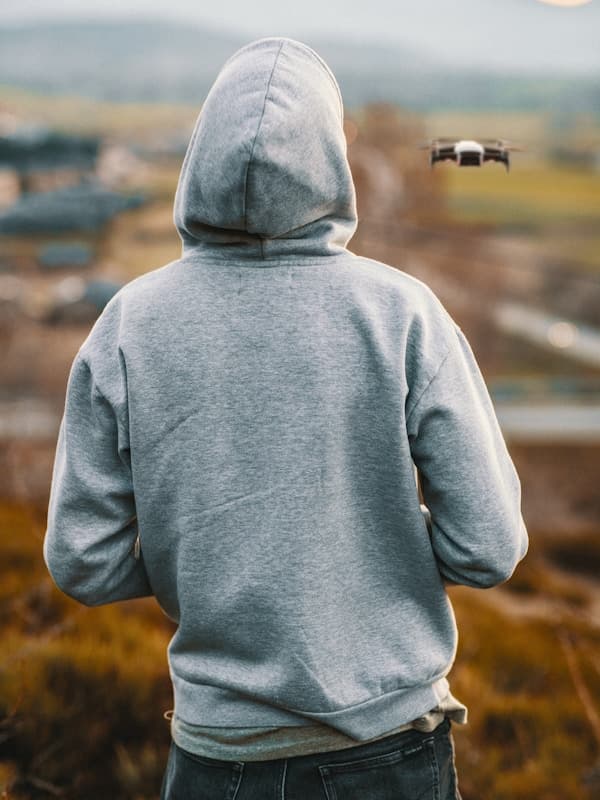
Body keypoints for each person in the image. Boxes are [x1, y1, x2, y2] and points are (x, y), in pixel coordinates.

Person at [43, 36, 528, 800]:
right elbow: (489, 547)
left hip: (214, 758)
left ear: (199, 156)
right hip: (387, 753)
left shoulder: (129, 325)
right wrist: (365, 555)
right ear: (331, 160)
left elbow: (82, 560)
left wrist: (207, 560)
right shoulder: (401, 314)